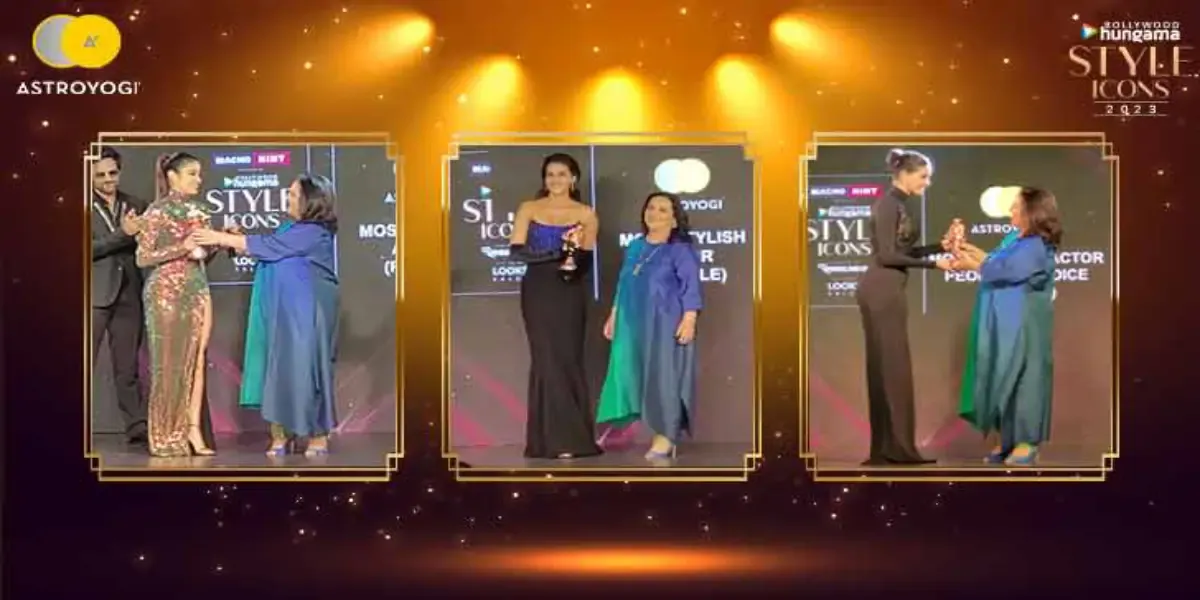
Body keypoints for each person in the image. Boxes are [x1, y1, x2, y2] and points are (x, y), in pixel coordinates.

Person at [192, 173, 341, 457]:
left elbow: (268, 247)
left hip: (307, 315)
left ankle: (317, 436)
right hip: (280, 313)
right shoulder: (288, 228)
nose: (288, 198)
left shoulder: (315, 232)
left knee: (307, 369)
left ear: (310, 201)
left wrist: (218, 237)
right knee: (276, 367)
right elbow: (267, 250)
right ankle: (280, 434)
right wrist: (234, 239)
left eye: (294, 194)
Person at [856, 148, 955, 466]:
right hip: (881, 290)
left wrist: (940, 247)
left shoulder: (898, 204)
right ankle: (896, 449)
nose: (927, 183)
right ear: (906, 174)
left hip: (887, 288)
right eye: (923, 177)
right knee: (891, 369)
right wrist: (935, 264)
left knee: (889, 368)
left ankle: (890, 449)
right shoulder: (888, 205)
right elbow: (887, 256)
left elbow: (903, 252)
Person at [951, 187, 1061, 466]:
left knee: (1025, 378)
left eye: (1016, 207)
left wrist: (971, 264)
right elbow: (995, 262)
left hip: (1024, 326)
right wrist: (970, 252)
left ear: (1032, 212)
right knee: (1002, 377)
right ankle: (1009, 438)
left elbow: (1004, 271)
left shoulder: (1036, 244)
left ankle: (1027, 441)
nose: (1010, 211)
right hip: (1004, 325)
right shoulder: (1015, 239)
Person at [508, 153, 602, 459]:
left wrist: (572, 257)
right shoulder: (529, 208)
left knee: (568, 358)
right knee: (546, 359)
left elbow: (583, 263)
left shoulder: (586, 214)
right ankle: (548, 440)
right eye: (550, 174)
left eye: (562, 174)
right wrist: (558, 251)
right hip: (538, 290)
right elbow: (517, 253)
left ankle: (573, 439)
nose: (555, 180)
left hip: (569, 292)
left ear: (573, 178)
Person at [596, 192, 703, 461]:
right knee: (629, 370)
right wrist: (614, 314)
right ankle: (626, 425)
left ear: (674, 220)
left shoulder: (680, 250)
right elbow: (624, 283)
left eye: (663, 210)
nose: (654, 213)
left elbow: (691, 285)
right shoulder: (635, 246)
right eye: (651, 207)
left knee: (663, 375)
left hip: (665, 323)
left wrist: (689, 318)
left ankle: (666, 435)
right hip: (632, 321)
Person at [135, 152, 215, 457]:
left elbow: (201, 256)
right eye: (192, 173)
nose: (198, 179)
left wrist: (218, 243)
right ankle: (164, 435)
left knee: (195, 362)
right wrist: (182, 246)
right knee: (167, 366)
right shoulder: (157, 211)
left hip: (197, 289)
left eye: (199, 173)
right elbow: (143, 257)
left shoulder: (202, 210)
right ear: (172, 176)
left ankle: (190, 430)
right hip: (166, 294)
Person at [90, 146, 150, 448]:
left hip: (129, 293)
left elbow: (151, 244)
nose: (107, 180)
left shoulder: (136, 204)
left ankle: (136, 426)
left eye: (112, 173)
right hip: (93, 295)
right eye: (100, 175)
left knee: (127, 367)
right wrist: (123, 234)